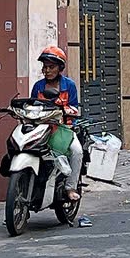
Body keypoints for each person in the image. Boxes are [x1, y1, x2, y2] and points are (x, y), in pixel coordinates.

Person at [30, 47, 84, 198]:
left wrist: (62, 111)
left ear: (60, 68)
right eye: (45, 67)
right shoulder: (38, 86)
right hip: (42, 129)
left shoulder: (69, 85)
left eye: (51, 67)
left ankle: (70, 188)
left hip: (64, 129)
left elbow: (74, 108)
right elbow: (32, 106)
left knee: (77, 151)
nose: (47, 70)